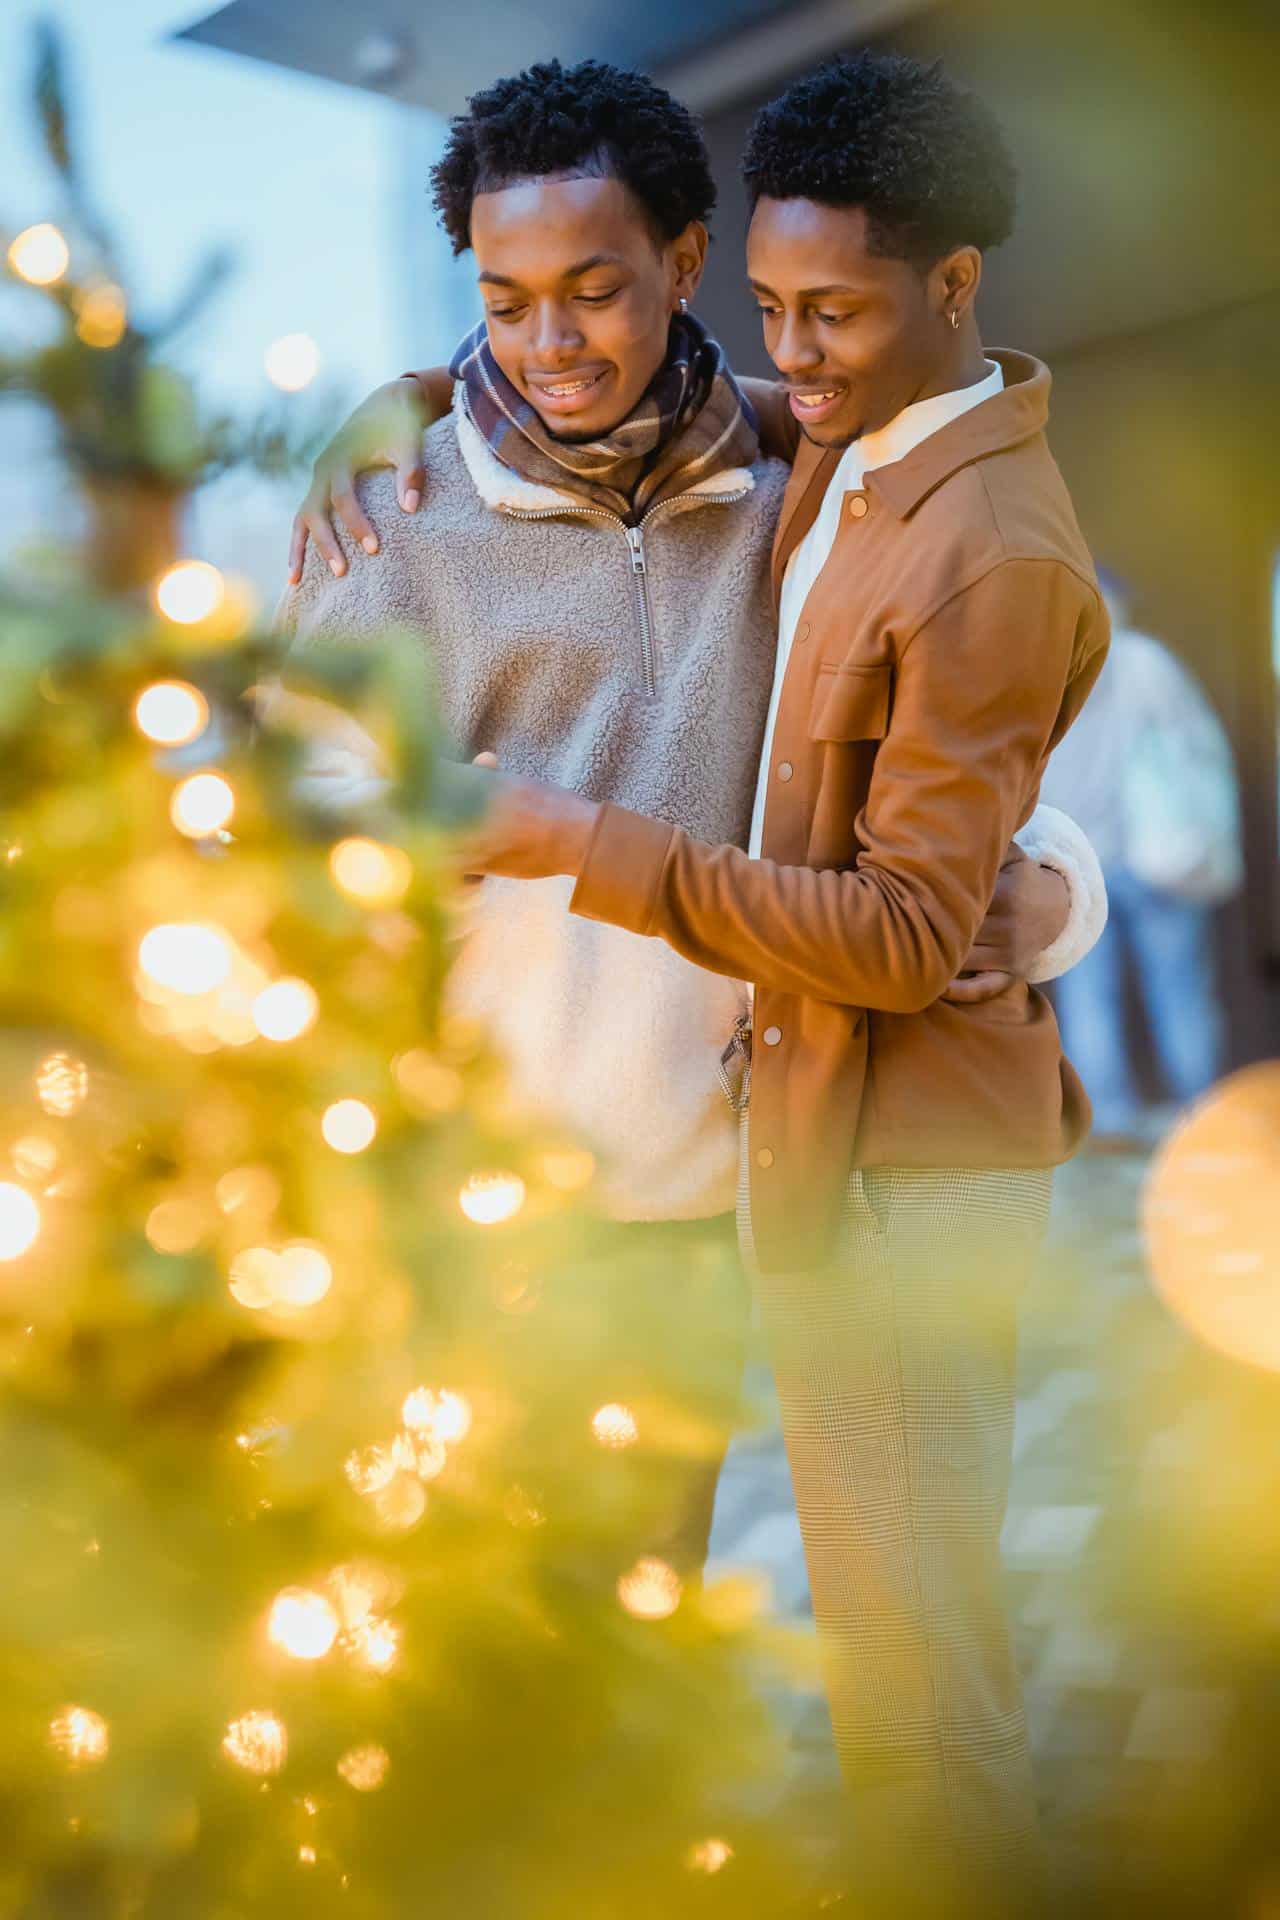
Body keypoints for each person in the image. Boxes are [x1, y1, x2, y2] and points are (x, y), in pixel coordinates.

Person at [278, 54, 1105, 1916]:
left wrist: (1041, 902)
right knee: (555, 1683)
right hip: (532, 1213)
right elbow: (292, 873)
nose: (551, 343)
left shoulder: (800, 470)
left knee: (818, 1643)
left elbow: (979, 765)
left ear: (683, 259)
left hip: (770, 1167)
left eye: (594, 287)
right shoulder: (389, 530)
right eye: (501, 303)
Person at [1039, 572, 1240, 1146]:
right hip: (1159, 855)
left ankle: (1107, 1119)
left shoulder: (1050, 668)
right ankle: (1203, 1113)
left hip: (1080, 862)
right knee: (1178, 987)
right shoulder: (1146, 662)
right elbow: (1196, 746)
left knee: (1087, 996)